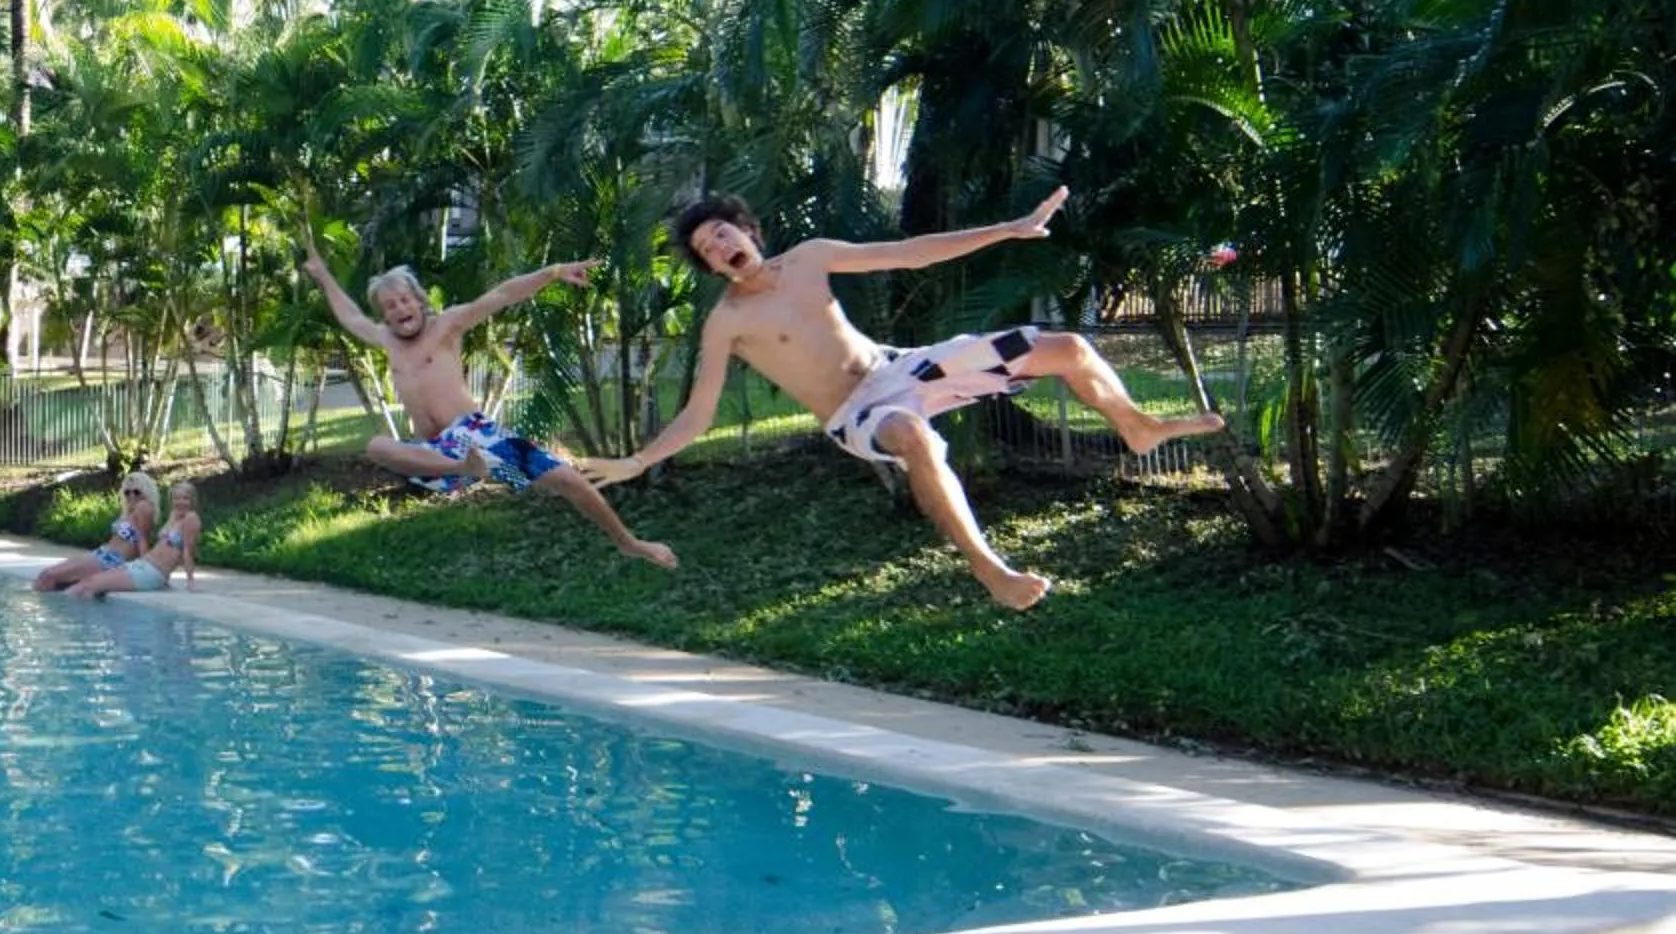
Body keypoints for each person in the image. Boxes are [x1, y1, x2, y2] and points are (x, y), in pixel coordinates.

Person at [580, 187, 1224, 610]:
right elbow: (699, 411)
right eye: (708, 250)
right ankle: (989, 568)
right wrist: (639, 462)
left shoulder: (811, 258)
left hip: (902, 367)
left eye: (723, 234)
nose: (721, 248)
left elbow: (911, 253)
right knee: (912, 438)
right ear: (712, 269)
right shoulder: (726, 323)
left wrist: (1011, 227)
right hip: (854, 412)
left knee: (1066, 349)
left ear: (747, 231)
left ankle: (1136, 426)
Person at [303, 229, 676, 571]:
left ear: (419, 301)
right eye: (390, 306)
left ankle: (630, 543)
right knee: (377, 446)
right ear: (384, 315)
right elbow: (350, 315)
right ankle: (463, 469)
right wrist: (322, 275)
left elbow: (500, 295)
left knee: (569, 481)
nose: (400, 309)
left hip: (477, 438)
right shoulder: (385, 339)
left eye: (405, 300)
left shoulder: (447, 325)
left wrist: (554, 271)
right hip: (435, 456)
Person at [69, 478, 206, 597]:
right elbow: (162, 547)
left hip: (153, 573)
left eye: (185, 498)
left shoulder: (191, 519)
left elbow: (188, 551)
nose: (180, 502)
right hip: (143, 564)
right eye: (176, 498)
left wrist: (190, 581)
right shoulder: (175, 516)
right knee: (86, 582)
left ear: (193, 500)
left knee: (90, 585)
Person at [34, 471, 160, 592]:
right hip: (102, 554)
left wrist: (146, 570)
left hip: (112, 560)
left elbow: (143, 538)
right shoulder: (130, 512)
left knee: (48, 576)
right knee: (48, 576)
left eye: (136, 492)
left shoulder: (144, 507)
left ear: (146, 491)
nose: (131, 495)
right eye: (127, 492)